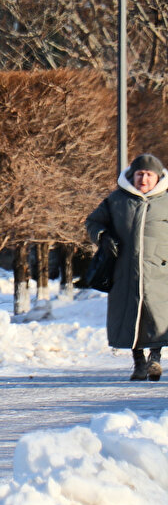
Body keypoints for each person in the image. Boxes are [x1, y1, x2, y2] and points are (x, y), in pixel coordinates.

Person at [86, 153, 168, 381]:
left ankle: (155, 359)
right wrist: (103, 237)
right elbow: (93, 222)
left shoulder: (166, 202)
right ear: (132, 176)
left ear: (158, 178)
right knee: (132, 317)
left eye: (149, 175)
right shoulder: (117, 201)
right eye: (139, 174)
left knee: (158, 317)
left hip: (160, 273)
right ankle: (139, 363)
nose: (143, 179)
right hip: (125, 271)